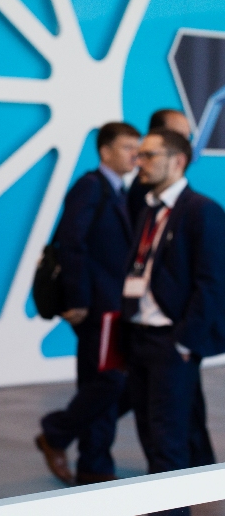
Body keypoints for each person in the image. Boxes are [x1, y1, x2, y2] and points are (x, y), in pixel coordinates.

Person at [124, 128, 225, 516]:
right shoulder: (149, 208)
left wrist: (185, 341)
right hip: (140, 335)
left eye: (149, 155)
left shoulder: (202, 210)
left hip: (172, 341)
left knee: (168, 442)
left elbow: (212, 283)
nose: (140, 162)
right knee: (150, 435)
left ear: (178, 161)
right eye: (139, 155)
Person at [34, 122, 140, 485]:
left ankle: (94, 464)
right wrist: (78, 300)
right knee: (107, 382)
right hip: (95, 306)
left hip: (114, 305)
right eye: (127, 147)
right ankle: (57, 433)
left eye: (137, 147)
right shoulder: (91, 186)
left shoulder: (120, 190)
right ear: (105, 151)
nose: (135, 155)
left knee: (109, 382)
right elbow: (72, 243)